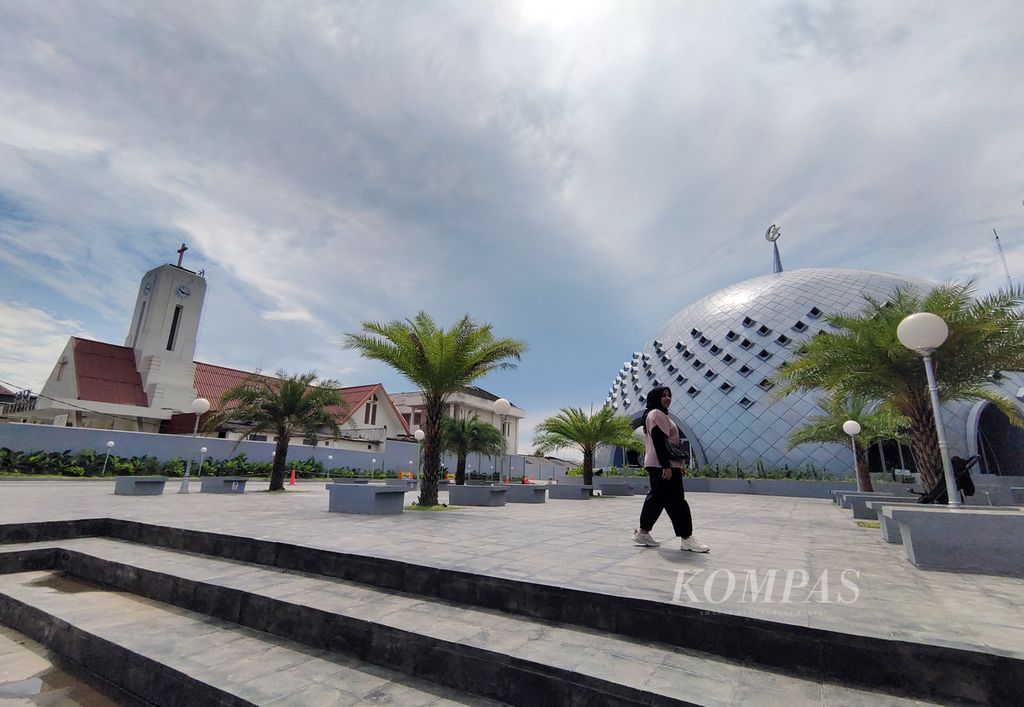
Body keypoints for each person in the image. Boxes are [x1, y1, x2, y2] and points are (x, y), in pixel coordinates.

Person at [632, 386, 710, 552]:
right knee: (677, 501)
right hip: (662, 465)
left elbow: (669, 444)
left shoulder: (659, 415)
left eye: (669, 395)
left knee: (657, 499)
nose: (668, 398)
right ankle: (687, 538)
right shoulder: (656, 414)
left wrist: (679, 464)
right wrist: (667, 465)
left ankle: (643, 532)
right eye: (663, 395)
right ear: (655, 398)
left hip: (660, 464)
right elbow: (660, 442)